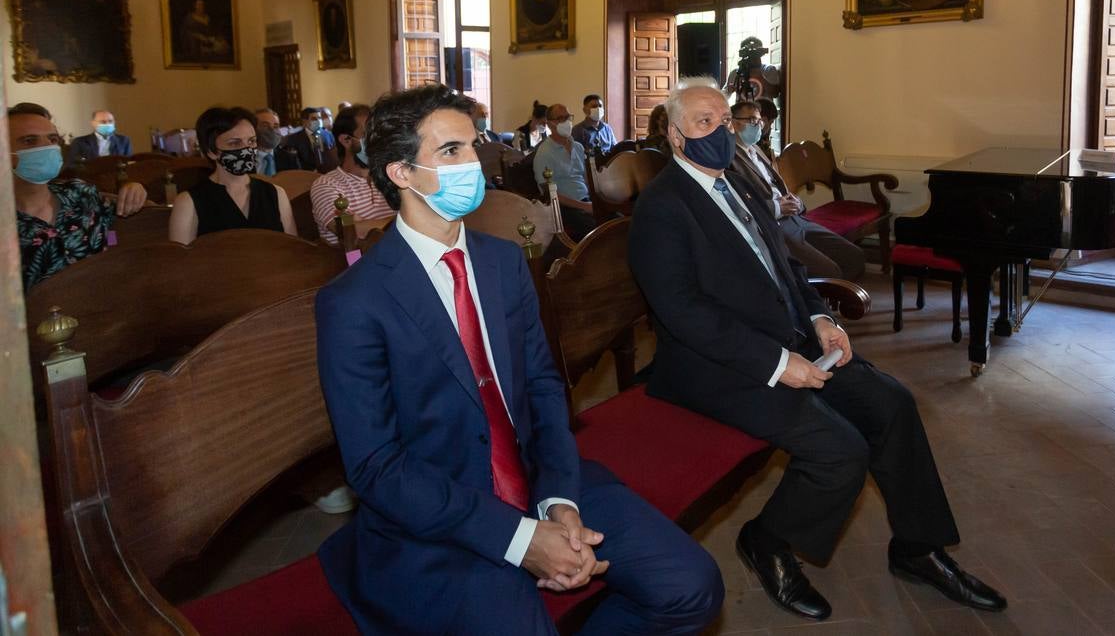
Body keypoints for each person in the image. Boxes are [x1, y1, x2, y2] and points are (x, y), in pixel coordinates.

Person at [314, 85, 723, 635]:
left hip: (538, 479)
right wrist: (518, 539)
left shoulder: (504, 263)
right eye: (451, 151)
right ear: (401, 173)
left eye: (473, 146)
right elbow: (377, 467)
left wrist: (558, 500)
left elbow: (544, 387)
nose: (473, 163)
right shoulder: (354, 301)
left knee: (691, 585)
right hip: (439, 520)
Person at [628, 78, 1006, 622]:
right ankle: (767, 540)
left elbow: (784, 267)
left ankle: (918, 549)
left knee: (893, 404)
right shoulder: (662, 207)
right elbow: (684, 313)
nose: (720, 132)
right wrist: (780, 365)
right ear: (675, 136)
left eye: (724, 122)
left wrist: (819, 317)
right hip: (715, 366)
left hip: (790, 339)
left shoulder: (738, 183)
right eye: (704, 123)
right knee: (840, 450)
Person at [9, 102, 147, 291]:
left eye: (52, 139)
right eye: (29, 141)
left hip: (105, 310)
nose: (46, 148)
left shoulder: (81, 193)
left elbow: (123, 222)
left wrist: (134, 188)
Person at [728, 100, 865, 281]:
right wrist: (777, 208)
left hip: (795, 219)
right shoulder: (729, 158)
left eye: (760, 121)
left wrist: (797, 202)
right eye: (753, 121)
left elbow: (776, 185)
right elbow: (738, 202)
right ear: (733, 123)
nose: (759, 126)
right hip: (773, 226)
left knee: (854, 256)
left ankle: (840, 303)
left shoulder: (756, 150)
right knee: (829, 271)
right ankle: (815, 306)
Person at [169, 106, 297, 245]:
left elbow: (293, 251)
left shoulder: (276, 194)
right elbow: (181, 263)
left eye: (251, 141)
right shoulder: (188, 202)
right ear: (211, 151)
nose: (246, 150)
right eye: (235, 143)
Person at [311, 104, 393, 246]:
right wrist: (401, 220)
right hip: (353, 263)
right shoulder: (326, 184)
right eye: (369, 135)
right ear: (346, 140)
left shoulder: (391, 178)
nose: (378, 142)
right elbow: (350, 231)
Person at [532, 103, 595, 240]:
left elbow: (586, 179)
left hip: (586, 201)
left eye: (568, 117)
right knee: (596, 230)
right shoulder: (544, 153)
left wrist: (596, 200)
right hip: (564, 207)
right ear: (549, 124)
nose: (566, 122)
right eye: (561, 118)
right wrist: (583, 206)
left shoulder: (578, 147)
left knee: (617, 220)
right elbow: (549, 193)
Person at [277, 107, 331, 172]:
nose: (319, 121)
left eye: (319, 118)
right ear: (304, 122)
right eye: (314, 119)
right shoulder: (292, 139)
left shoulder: (328, 135)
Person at [254, 108, 283, 177]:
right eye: (265, 125)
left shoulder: (289, 158)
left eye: (276, 126)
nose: (272, 129)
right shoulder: (244, 158)